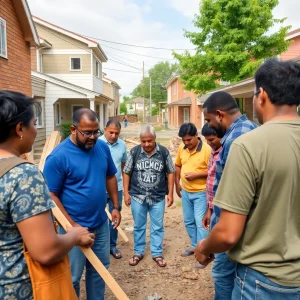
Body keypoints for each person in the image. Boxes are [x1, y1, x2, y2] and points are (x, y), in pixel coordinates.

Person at [195, 59, 300, 299]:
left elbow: (228, 233)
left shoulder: (247, 145)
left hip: (264, 281)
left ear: (261, 95)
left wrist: (203, 247)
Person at [0, 91, 94, 300]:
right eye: (34, 123)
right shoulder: (23, 175)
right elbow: (46, 250)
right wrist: (75, 235)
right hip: (17, 289)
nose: (36, 129)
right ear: (19, 129)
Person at [43, 108, 121, 300]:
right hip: (71, 228)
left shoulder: (101, 148)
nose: (93, 137)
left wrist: (116, 207)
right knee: (72, 277)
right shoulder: (58, 157)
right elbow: (51, 195)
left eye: (96, 132)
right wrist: (72, 227)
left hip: (100, 223)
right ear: (73, 129)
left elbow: (110, 176)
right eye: (87, 132)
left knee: (100, 271)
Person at [200, 91, 257, 300]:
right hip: (245, 224)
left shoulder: (235, 140)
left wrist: (214, 237)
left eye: (208, 120)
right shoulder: (251, 128)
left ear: (219, 114)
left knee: (223, 274)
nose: (209, 125)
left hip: (231, 224)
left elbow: (230, 194)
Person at [123, 124, 175, 267]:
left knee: (157, 226)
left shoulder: (163, 152)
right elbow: (126, 172)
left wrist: (170, 193)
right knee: (139, 226)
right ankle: (138, 252)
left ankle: (156, 253)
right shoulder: (134, 152)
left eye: (149, 141)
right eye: (143, 141)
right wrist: (126, 193)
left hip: (157, 196)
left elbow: (171, 171)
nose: (146, 144)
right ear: (140, 140)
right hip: (137, 196)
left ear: (155, 139)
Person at [175, 123, 211, 268]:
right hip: (186, 191)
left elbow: (213, 170)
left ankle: (203, 252)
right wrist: (177, 184)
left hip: (201, 192)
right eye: (184, 140)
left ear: (197, 135)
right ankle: (194, 245)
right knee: (188, 221)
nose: (186, 143)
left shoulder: (207, 150)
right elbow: (177, 165)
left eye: (189, 140)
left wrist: (197, 174)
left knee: (200, 223)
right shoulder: (181, 148)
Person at [100, 119, 127, 259]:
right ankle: (99, 246)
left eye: (117, 133)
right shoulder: (96, 144)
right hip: (99, 188)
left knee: (115, 217)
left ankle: (112, 246)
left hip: (118, 188)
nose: (113, 135)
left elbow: (123, 167)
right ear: (105, 129)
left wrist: (126, 189)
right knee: (98, 217)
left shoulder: (122, 145)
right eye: (111, 132)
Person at [200, 123, 222, 232]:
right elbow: (210, 180)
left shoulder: (224, 153)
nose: (209, 143)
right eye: (207, 140)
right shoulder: (213, 152)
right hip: (213, 206)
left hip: (222, 205)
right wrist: (209, 210)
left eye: (211, 139)